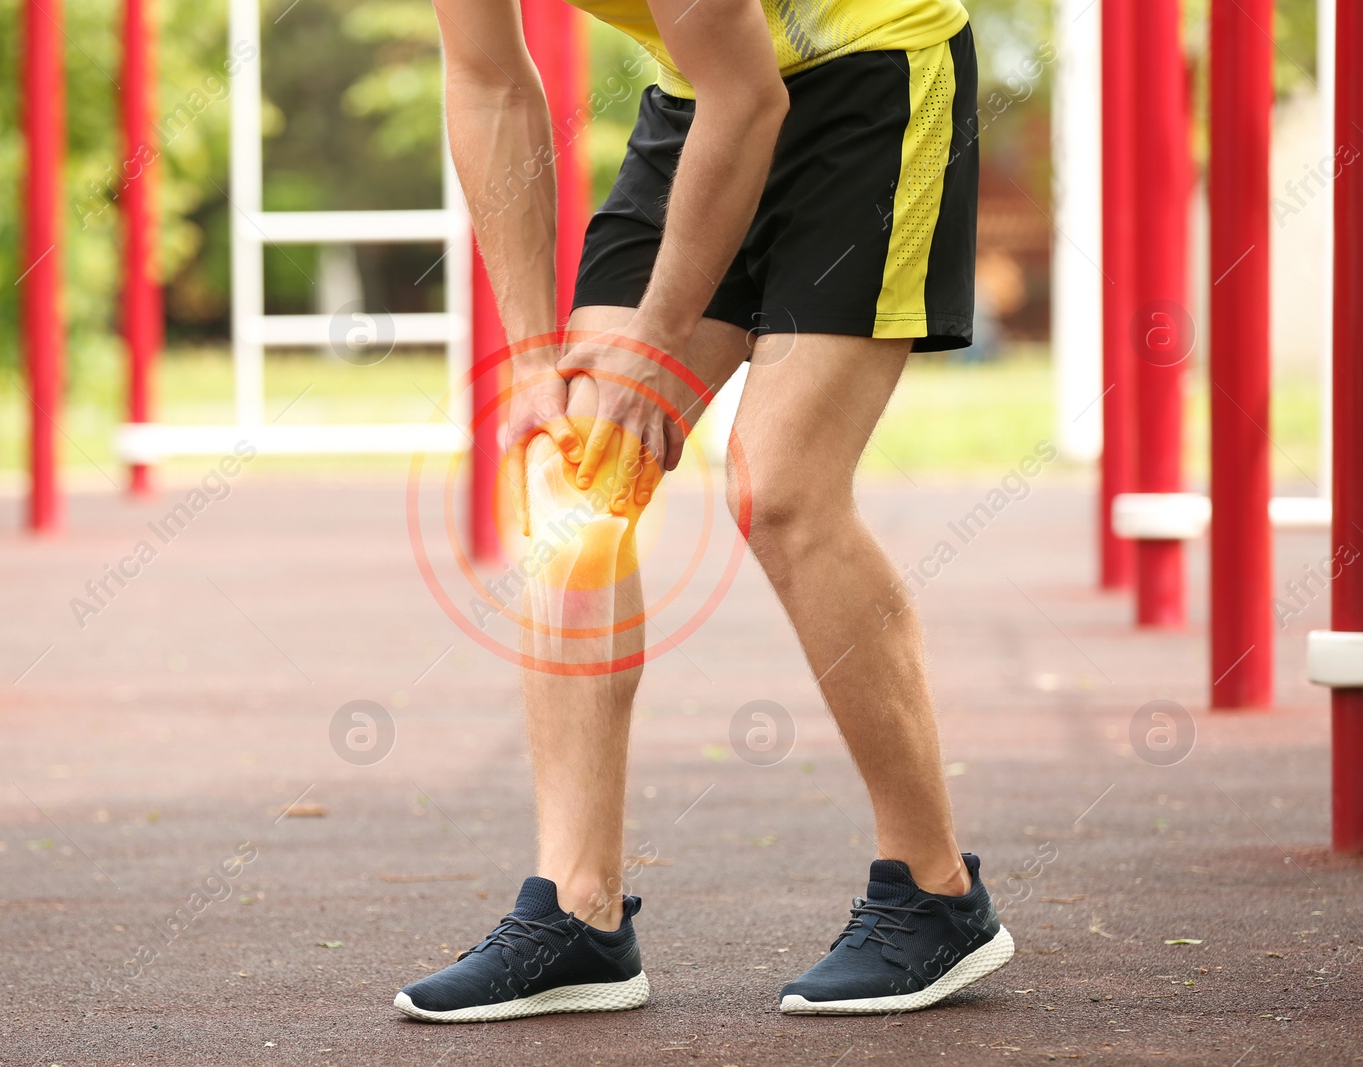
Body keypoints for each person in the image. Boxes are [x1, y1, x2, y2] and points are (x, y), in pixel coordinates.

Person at [395, 0, 1013, 1022]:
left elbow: (750, 92)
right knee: (572, 466)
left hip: (870, 79)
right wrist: (535, 358)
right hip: (704, 101)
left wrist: (654, 337)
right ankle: (576, 912)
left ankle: (935, 889)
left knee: (781, 488)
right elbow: (489, 83)